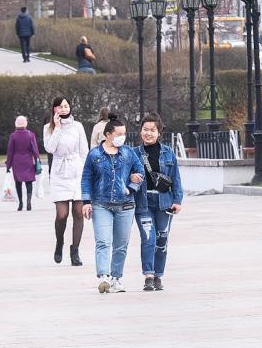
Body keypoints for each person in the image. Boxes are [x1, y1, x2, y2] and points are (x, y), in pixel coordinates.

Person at [80, 114, 144, 294]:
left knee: (121, 244)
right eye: (118, 134)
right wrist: (86, 201)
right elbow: (86, 178)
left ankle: (117, 278)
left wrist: (131, 187)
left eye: (124, 133)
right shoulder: (94, 154)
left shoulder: (129, 153)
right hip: (101, 204)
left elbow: (140, 173)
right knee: (103, 241)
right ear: (108, 134)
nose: (122, 137)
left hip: (125, 205)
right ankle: (104, 276)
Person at [134, 112, 184, 291]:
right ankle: (148, 275)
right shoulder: (134, 153)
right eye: (145, 129)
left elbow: (176, 179)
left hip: (165, 202)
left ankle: (158, 276)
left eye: (152, 130)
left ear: (159, 132)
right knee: (148, 237)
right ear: (140, 131)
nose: (148, 133)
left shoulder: (168, 153)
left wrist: (177, 200)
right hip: (143, 202)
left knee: (162, 239)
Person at [43, 96, 89, 265]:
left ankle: (75, 250)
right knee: (62, 215)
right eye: (60, 106)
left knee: (78, 212)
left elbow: (84, 150)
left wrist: (86, 173)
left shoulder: (78, 126)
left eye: (66, 106)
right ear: (54, 109)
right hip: (59, 172)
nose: (63, 109)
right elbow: (50, 148)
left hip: (77, 172)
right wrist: (57, 128)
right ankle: (59, 242)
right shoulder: (48, 128)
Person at [6, 116, 41, 212]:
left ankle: (21, 203)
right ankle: (29, 200)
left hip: (16, 162)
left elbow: (10, 151)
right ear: (25, 124)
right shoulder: (30, 135)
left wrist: (8, 164)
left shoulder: (13, 136)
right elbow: (35, 149)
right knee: (29, 182)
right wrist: (37, 159)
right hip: (28, 161)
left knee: (18, 182)